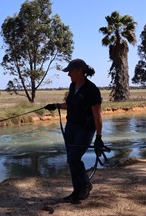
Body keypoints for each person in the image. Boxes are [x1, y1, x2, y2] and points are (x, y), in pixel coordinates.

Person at [44, 58, 104, 204]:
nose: (68, 74)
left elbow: (97, 114)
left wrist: (99, 137)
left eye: (70, 71)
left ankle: (85, 186)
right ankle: (77, 191)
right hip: (70, 127)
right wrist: (56, 105)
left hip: (85, 129)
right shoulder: (72, 86)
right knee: (72, 160)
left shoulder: (91, 90)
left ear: (79, 71)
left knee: (73, 158)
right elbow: (70, 104)